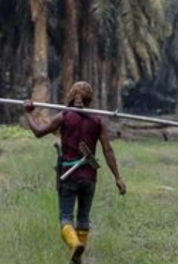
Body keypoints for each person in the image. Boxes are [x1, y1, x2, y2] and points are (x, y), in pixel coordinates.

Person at [24, 81, 126, 264]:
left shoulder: (64, 116)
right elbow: (107, 150)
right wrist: (117, 177)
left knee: (65, 217)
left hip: (68, 176)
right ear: (89, 99)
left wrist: (28, 113)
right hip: (89, 177)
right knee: (83, 217)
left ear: (71, 96)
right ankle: (77, 259)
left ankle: (74, 245)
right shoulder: (97, 121)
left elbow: (39, 132)